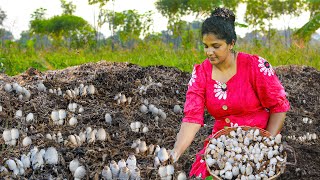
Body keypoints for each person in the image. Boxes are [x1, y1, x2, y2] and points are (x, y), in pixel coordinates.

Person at [169, 7, 290, 179]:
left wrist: (266, 143)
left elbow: (279, 106)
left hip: (256, 139)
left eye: (216, 46)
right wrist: (175, 153)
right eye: (206, 46)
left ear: (231, 43)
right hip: (221, 143)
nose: (209, 52)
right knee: (205, 175)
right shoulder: (201, 73)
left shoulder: (254, 66)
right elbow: (192, 118)